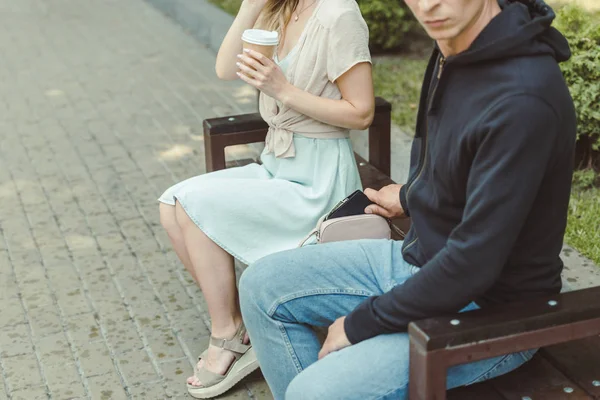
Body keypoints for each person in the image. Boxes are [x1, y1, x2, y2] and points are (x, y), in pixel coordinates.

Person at [238, 0, 577, 398]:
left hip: (493, 310)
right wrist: (412, 194)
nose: (428, 4)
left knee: (314, 391)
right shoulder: (454, 45)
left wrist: (358, 324)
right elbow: (460, 160)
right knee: (262, 285)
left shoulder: (523, 97)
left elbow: (472, 265)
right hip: (425, 259)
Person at [157, 0, 374, 395]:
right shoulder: (278, 9)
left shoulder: (338, 14)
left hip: (318, 180)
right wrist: (251, 6)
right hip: (278, 164)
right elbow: (225, 69)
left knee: (193, 206)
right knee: (171, 204)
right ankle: (240, 328)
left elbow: (361, 113)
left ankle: (228, 339)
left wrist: (282, 90)